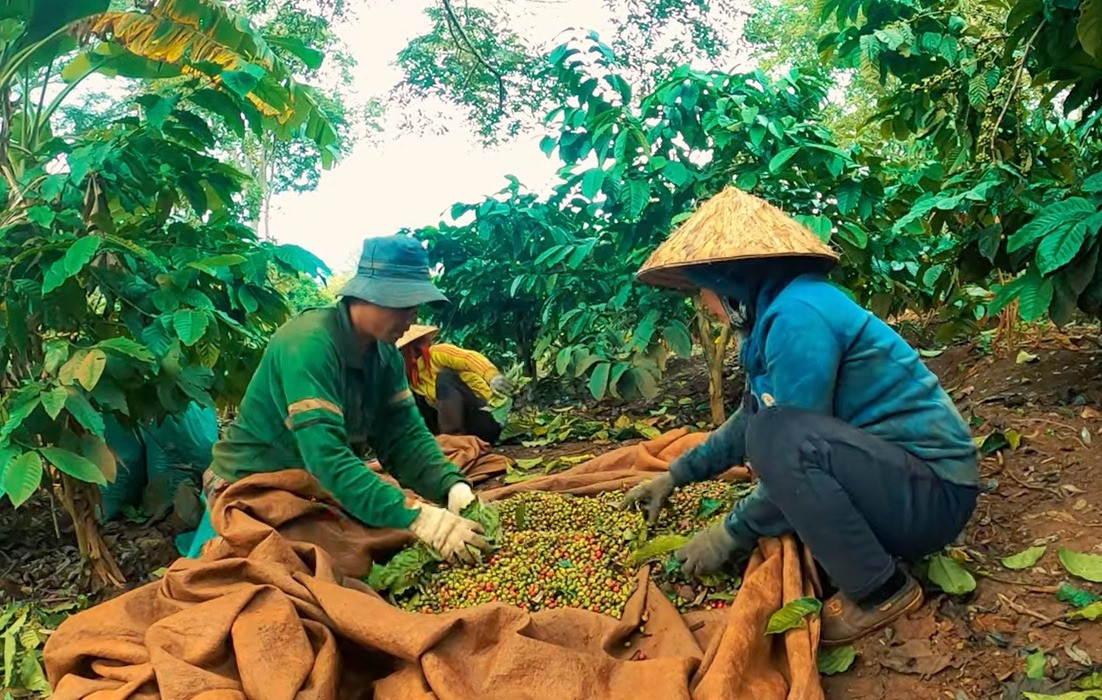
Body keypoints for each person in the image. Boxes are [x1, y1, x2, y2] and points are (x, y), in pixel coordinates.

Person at [623, 187, 978, 645]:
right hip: (901, 483)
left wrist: (729, 533)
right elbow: (751, 417)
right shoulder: (781, 310)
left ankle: (881, 592)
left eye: (705, 294)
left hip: (931, 497)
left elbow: (787, 438)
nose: (706, 308)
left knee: (778, 433)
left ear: (731, 284)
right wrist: (675, 475)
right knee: (771, 426)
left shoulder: (798, 315)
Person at [193, 236, 489, 564]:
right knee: (317, 571)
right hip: (250, 486)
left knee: (382, 545)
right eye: (405, 304)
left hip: (314, 487)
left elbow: (404, 439)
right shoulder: (309, 345)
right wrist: (418, 518)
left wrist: (451, 488)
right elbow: (327, 459)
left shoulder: (385, 355)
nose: (413, 315)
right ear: (370, 297)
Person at [397, 325, 512, 444]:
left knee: (445, 377)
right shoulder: (409, 378)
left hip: (485, 420)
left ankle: (452, 441)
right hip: (459, 429)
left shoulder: (437, 353)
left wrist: (492, 376)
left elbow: (469, 358)